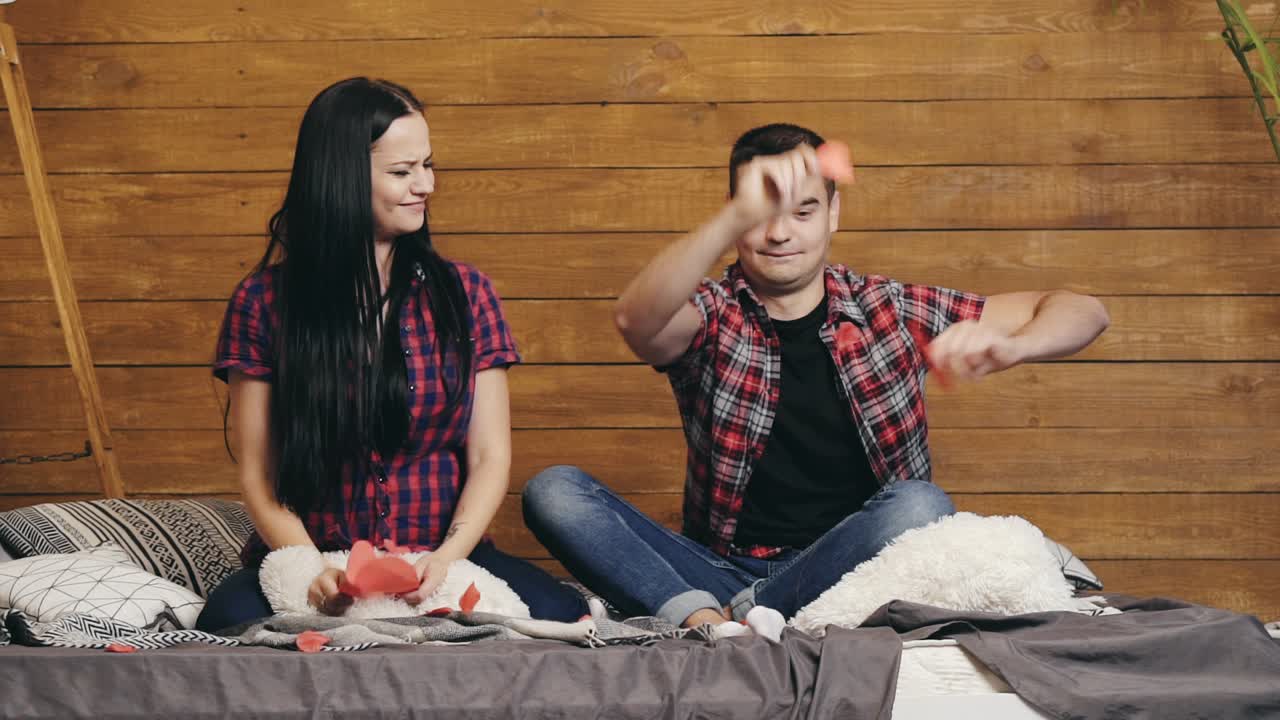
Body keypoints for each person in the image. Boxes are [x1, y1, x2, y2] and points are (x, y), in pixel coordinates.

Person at [522, 123, 1110, 630]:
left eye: (804, 212)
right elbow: (635, 319)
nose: (781, 234)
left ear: (833, 212)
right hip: (718, 567)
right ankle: (709, 619)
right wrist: (732, 218)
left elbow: (1083, 309)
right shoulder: (712, 313)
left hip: (856, 570)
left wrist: (1016, 345)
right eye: (762, 218)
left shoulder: (888, 307)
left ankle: (745, 614)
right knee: (553, 491)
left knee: (921, 505)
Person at [197, 77, 587, 632]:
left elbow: (488, 458)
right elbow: (261, 474)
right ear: (341, 177)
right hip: (313, 556)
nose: (424, 185)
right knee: (223, 625)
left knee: (560, 617)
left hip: (440, 555)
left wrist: (446, 559)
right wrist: (310, 568)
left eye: (428, 166)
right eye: (403, 172)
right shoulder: (262, 302)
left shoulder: (467, 293)